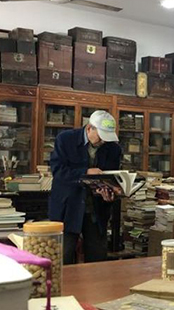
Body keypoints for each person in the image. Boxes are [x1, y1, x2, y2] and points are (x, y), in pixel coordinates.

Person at [48, 110, 122, 264]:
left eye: (107, 138)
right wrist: (85, 173)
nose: (104, 141)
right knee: (63, 257)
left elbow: (112, 178)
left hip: (96, 210)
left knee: (98, 260)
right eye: (101, 136)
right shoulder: (65, 140)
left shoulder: (113, 149)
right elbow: (58, 171)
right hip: (67, 208)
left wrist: (111, 193)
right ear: (89, 128)